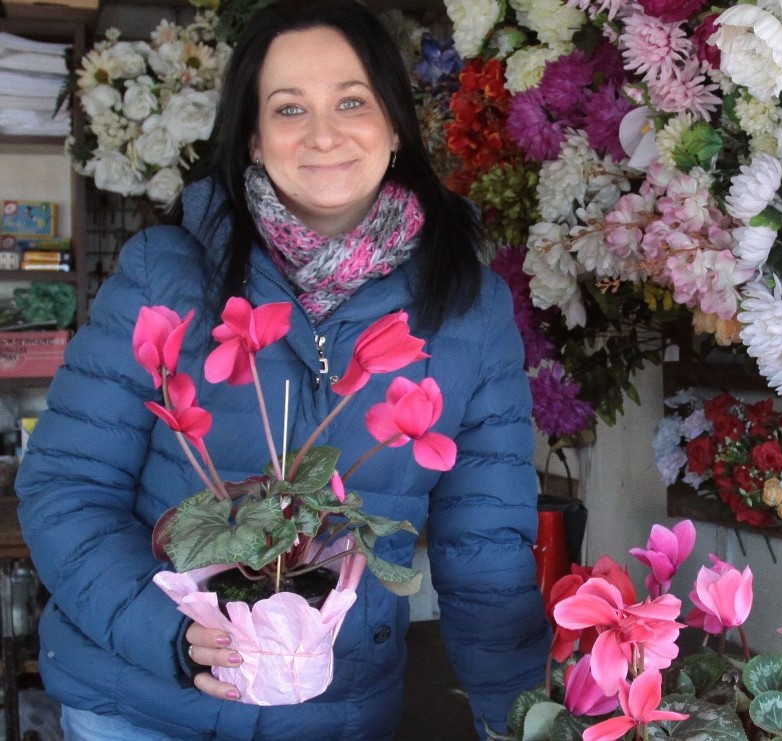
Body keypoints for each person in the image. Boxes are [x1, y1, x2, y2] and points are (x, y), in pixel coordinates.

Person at [15, 1, 551, 738]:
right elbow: (66, 486)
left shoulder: (466, 306)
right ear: (254, 139)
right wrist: (167, 632)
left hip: (336, 711)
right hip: (145, 703)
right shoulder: (165, 274)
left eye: (352, 102)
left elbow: (483, 540)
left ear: (394, 127)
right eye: (289, 107)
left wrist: (520, 716)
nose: (324, 134)